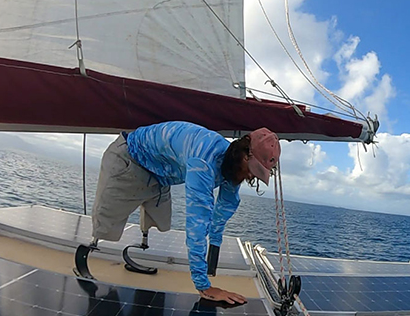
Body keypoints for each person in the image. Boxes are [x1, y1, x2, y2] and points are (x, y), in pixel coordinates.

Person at [85, 121, 279, 305]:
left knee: (161, 224)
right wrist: (204, 286)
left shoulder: (231, 163)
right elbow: (197, 223)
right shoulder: (203, 160)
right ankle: (86, 252)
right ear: (245, 156)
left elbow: (226, 205)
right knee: (105, 227)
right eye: (254, 170)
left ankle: (141, 243)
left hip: (160, 176)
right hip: (130, 160)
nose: (251, 176)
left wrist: (214, 250)